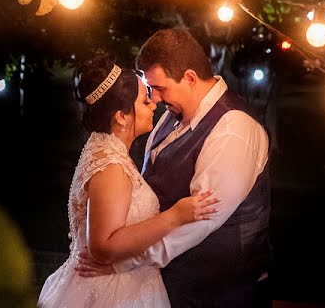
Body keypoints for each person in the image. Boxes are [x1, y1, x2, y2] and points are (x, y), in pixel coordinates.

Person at [78, 29, 272, 307]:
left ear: (190, 78)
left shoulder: (233, 130)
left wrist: (121, 263)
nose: (154, 99)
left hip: (220, 292)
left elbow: (198, 223)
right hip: (170, 287)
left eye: (159, 88)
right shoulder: (172, 114)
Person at [38, 56, 219, 308]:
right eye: (145, 101)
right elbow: (102, 247)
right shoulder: (111, 166)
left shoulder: (104, 148)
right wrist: (175, 216)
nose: (154, 104)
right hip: (111, 294)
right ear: (122, 116)